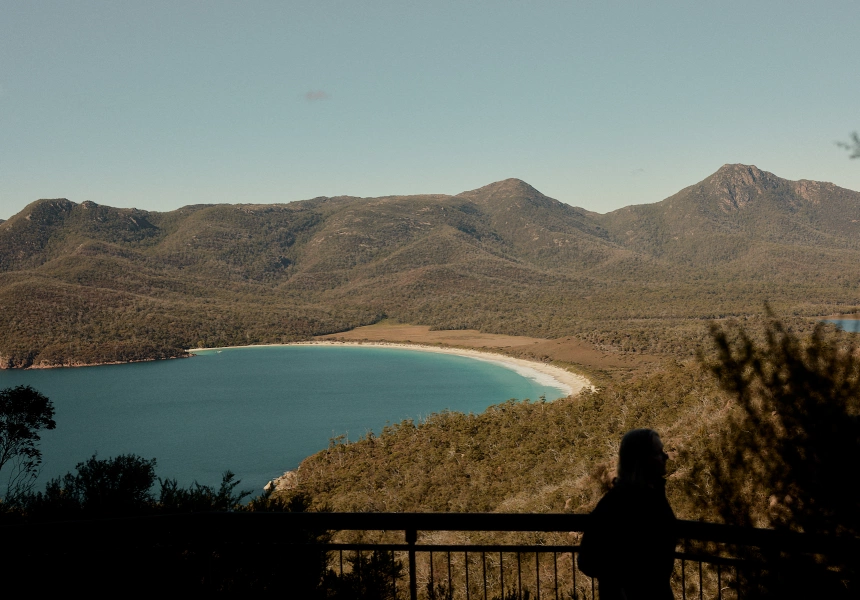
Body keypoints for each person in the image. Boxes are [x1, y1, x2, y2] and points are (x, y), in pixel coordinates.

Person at [577, 428, 677, 600]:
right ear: (642, 461)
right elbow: (586, 559)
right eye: (658, 453)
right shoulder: (617, 503)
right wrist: (619, 585)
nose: (665, 456)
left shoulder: (653, 495)